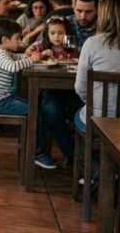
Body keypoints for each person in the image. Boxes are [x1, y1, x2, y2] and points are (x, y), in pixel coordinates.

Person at [24, 17, 81, 168]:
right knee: (51, 111)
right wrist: (41, 55)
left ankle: (80, 155)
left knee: (78, 112)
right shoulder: (42, 48)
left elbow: (77, 62)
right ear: (47, 34)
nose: (56, 36)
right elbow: (30, 60)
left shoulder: (72, 48)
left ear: (67, 34)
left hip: (71, 91)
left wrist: (74, 60)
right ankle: (73, 156)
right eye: (53, 33)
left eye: (61, 33)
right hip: (50, 91)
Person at [74, 0, 120, 135]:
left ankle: (92, 157)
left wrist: (93, 103)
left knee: (75, 111)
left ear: (103, 15)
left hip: (97, 120)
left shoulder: (92, 43)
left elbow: (80, 88)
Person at [0, 18, 36, 116]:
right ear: (5, 40)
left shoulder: (2, 51)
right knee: (33, 108)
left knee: (33, 105)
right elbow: (12, 67)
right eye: (17, 38)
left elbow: (16, 57)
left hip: (0, 99)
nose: (20, 42)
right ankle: (34, 131)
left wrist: (27, 54)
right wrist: (32, 60)